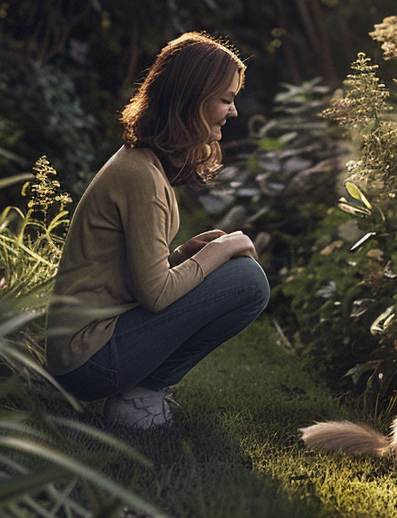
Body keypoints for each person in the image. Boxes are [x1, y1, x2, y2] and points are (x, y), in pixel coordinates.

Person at [46, 31, 270, 429]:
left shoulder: (144, 165)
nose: (233, 112)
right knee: (248, 281)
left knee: (234, 269)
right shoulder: (141, 176)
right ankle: (141, 398)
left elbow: (129, 276)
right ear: (191, 100)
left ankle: (138, 395)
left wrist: (185, 255)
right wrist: (225, 247)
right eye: (225, 99)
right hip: (86, 359)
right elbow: (155, 294)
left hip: (87, 348)